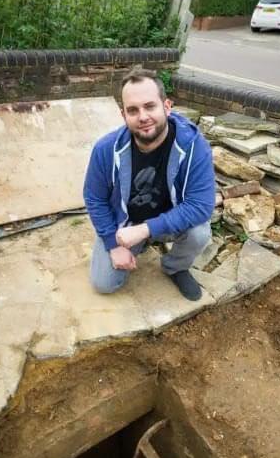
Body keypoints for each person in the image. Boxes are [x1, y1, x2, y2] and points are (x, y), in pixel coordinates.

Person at [83, 67, 215, 301]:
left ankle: (175, 266)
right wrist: (114, 243)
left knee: (200, 232)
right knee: (103, 284)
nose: (142, 116)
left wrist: (145, 230)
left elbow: (202, 206)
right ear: (123, 115)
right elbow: (94, 197)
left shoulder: (194, 146)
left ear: (167, 106)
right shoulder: (106, 149)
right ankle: (138, 244)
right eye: (133, 110)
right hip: (127, 224)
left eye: (150, 106)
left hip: (170, 221)